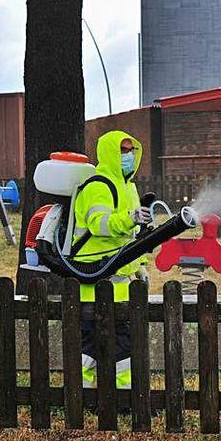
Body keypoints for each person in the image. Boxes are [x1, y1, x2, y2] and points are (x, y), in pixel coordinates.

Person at [72, 130, 152, 389]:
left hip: (118, 283)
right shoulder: (98, 185)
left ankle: (112, 395)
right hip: (93, 279)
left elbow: (130, 236)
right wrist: (130, 218)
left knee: (115, 344)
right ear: (109, 153)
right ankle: (85, 395)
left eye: (131, 150)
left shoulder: (128, 186)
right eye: (122, 151)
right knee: (94, 344)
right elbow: (100, 225)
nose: (128, 156)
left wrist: (140, 266)